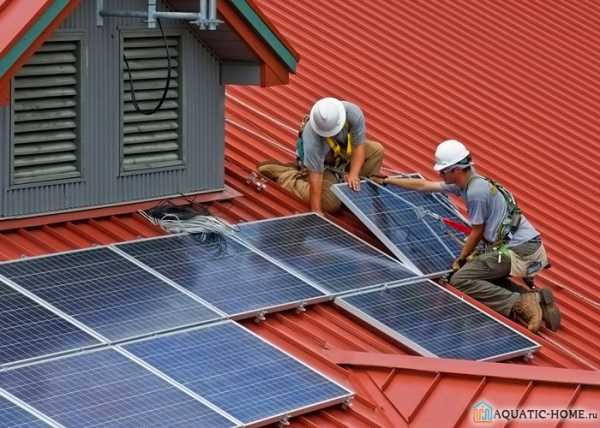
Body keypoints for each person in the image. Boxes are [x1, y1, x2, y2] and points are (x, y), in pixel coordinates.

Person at [377, 139, 561, 333]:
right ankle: (537, 300)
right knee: (477, 273)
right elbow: (424, 185)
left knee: (460, 279)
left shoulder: (475, 192)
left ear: (456, 170)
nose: (440, 174)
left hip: (518, 251)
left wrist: (461, 258)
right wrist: (388, 180)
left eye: (443, 171)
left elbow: (477, 231)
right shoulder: (470, 183)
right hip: (524, 246)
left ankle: (519, 303)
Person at [258, 97, 384, 213]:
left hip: (342, 155)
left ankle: (355, 190)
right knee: (330, 204)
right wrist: (317, 210)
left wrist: (353, 174)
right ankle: (287, 176)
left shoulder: (353, 113)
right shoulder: (312, 137)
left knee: (376, 150)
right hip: (324, 166)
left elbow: (358, 147)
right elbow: (316, 176)